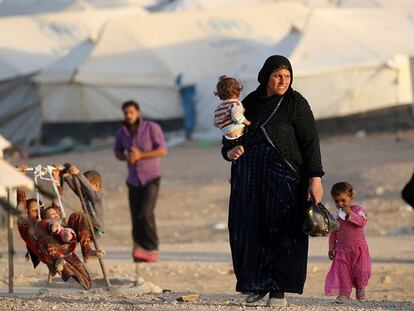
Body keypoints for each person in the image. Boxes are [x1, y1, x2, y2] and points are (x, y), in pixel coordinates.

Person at [221, 55, 324, 306]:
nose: (283, 81)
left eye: (287, 76)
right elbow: (230, 136)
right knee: (250, 231)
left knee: (283, 231)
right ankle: (256, 284)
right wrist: (229, 152)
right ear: (266, 76)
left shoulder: (296, 104)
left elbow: (310, 141)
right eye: (278, 75)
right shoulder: (249, 103)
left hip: (286, 180)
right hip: (250, 181)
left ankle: (278, 289)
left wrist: (315, 177)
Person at [114, 100, 167, 262]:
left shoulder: (151, 127)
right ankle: (139, 248)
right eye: (126, 113)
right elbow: (117, 152)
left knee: (146, 212)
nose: (128, 115)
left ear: (138, 112)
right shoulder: (122, 132)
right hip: (133, 180)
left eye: (131, 112)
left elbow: (162, 150)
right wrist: (126, 157)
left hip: (151, 178)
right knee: (135, 216)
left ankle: (151, 248)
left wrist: (141, 155)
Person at [325, 182, 371, 303]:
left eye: (343, 200)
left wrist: (350, 213)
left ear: (352, 197)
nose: (340, 204)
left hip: (358, 249)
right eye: (337, 201)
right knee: (343, 272)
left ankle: (360, 291)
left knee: (360, 271)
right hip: (341, 251)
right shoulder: (336, 216)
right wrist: (331, 248)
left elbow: (362, 222)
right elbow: (333, 233)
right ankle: (344, 293)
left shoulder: (358, 210)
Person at [214, 75, 250, 146]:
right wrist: (247, 122)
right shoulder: (235, 103)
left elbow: (216, 123)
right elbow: (236, 116)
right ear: (237, 91)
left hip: (227, 138)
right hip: (238, 136)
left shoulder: (219, 107)